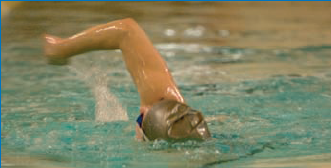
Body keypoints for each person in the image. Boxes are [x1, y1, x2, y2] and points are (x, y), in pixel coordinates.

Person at [44, 18, 211, 142]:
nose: (140, 111)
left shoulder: (162, 98)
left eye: (140, 119)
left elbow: (126, 31)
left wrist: (60, 48)